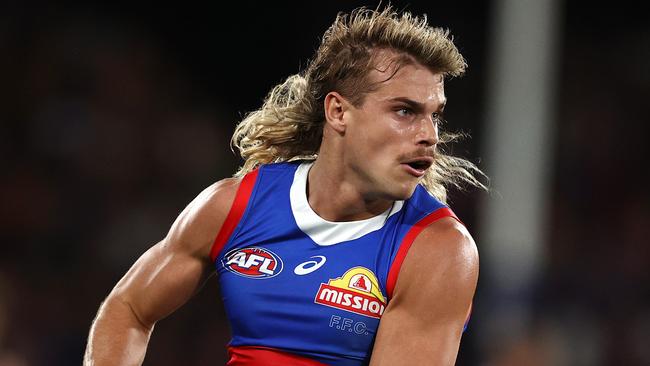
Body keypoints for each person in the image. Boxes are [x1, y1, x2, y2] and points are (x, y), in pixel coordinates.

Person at [84, 6, 485, 366]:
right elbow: (127, 311)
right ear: (338, 111)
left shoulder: (437, 250)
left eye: (435, 115)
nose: (429, 134)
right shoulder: (237, 205)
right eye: (405, 111)